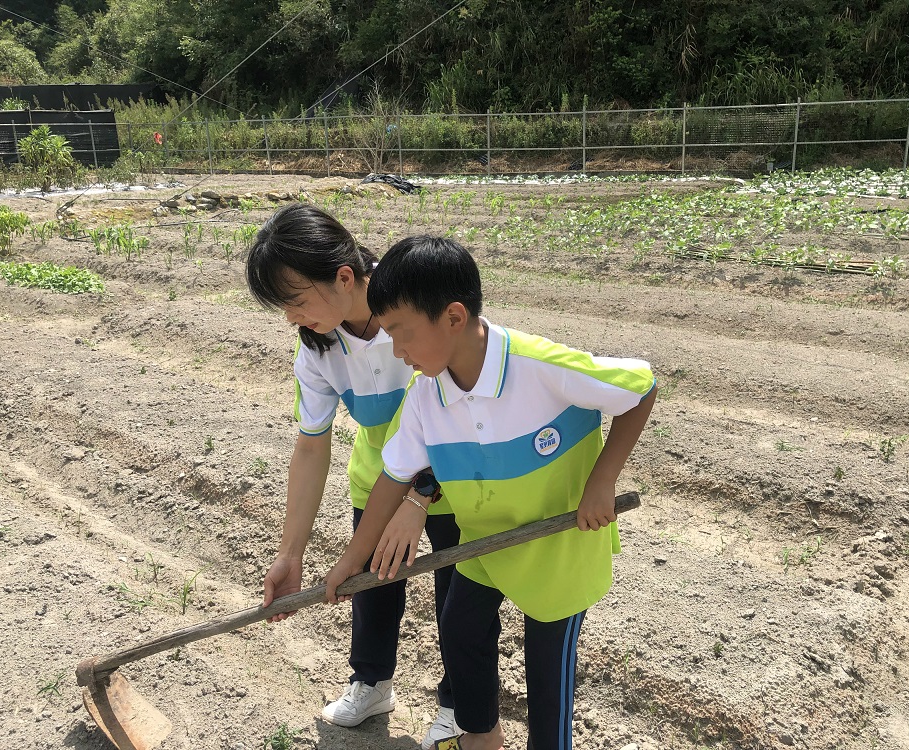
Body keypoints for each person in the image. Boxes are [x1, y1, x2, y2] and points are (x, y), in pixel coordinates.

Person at [324, 236, 656, 750]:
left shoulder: (540, 366)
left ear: (453, 316)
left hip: (558, 549)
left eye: (400, 333)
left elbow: (641, 388)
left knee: (548, 670)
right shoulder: (426, 396)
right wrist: (352, 560)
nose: (396, 350)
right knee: (460, 629)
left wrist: (602, 480)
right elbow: (392, 478)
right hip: (487, 542)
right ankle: (481, 737)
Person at [246, 205, 462, 749]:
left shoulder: (413, 302)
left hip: (456, 479)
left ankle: (460, 701)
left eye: (296, 302)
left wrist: (420, 498)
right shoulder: (318, 345)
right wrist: (290, 553)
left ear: (344, 277)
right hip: (377, 480)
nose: (292, 319)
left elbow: (455, 404)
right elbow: (311, 446)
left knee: (461, 597)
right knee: (371, 586)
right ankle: (371, 683)